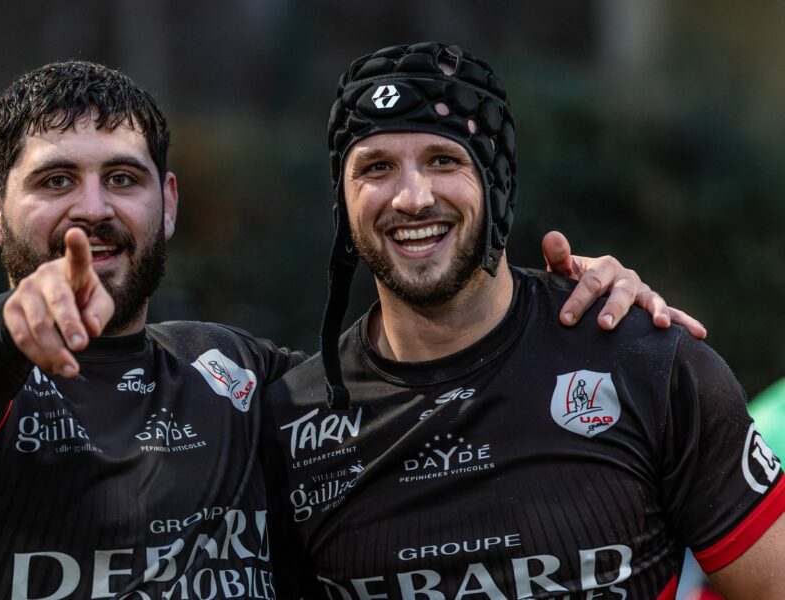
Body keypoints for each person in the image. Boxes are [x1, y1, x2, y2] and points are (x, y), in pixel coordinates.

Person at [0, 60, 702, 599]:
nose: (93, 209)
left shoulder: (242, 376)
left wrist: (573, 309)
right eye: (56, 181)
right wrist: (9, 326)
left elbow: (415, 368)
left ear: (167, 202)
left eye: (121, 178)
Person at [261, 43, 785, 600]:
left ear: (497, 181)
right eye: (376, 168)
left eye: (443, 160)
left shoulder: (648, 365)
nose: (413, 198)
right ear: (343, 202)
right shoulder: (289, 424)